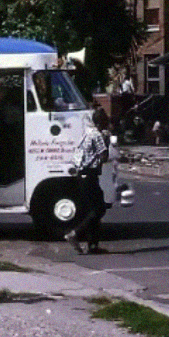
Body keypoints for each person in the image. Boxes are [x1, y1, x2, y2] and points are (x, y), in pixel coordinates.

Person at [65, 108, 110, 255]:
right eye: (105, 121)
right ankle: (75, 233)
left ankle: (93, 245)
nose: (107, 124)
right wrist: (107, 141)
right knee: (99, 209)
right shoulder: (97, 135)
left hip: (82, 175)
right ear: (100, 122)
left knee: (92, 210)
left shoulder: (86, 134)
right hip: (90, 175)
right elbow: (104, 156)